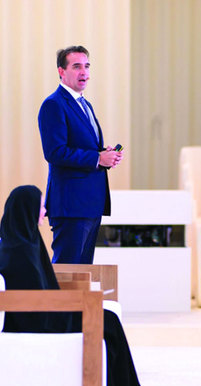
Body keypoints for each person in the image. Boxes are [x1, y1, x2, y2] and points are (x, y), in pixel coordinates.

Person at [0, 185, 157, 386]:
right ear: (28, 210)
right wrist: (71, 304)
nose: (45, 211)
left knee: (108, 319)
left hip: (42, 313)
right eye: (40, 206)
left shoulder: (19, 242)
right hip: (39, 320)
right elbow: (34, 297)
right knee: (107, 320)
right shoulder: (19, 251)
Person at [38, 45, 123, 265]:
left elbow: (84, 146)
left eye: (86, 66)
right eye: (76, 66)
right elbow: (55, 152)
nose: (84, 72)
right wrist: (97, 159)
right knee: (68, 271)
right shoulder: (53, 105)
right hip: (71, 204)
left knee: (83, 272)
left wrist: (105, 156)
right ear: (61, 71)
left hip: (90, 203)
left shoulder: (86, 105)